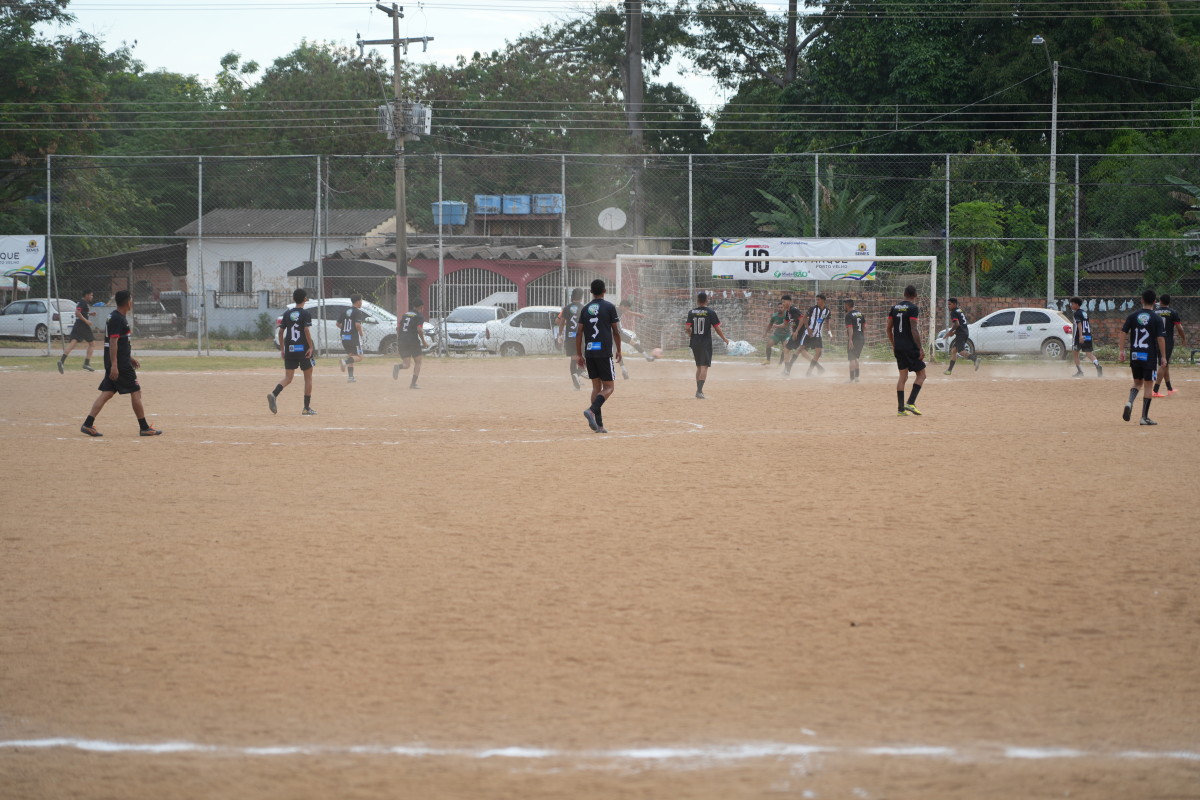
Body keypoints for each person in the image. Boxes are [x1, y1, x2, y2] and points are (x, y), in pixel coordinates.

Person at [79, 290, 162, 437]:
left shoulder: (116, 316)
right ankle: (144, 427)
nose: (132, 303)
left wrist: (129, 357)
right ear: (127, 302)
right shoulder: (118, 318)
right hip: (119, 364)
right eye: (131, 300)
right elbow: (113, 342)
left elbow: (121, 343)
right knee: (136, 391)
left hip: (120, 361)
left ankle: (88, 424)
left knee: (107, 393)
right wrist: (115, 365)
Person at [576, 278, 621, 434]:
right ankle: (591, 410)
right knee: (609, 387)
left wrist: (578, 354)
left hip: (589, 352)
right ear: (604, 291)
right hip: (603, 352)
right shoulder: (609, 307)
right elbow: (615, 331)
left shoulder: (585, 309)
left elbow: (579, 332)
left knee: (596, 387)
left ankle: (599, 425)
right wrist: (619, 350)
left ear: (591, 292)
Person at [1118, 288, 1167, 425]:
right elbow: (1161, 339)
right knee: (1147, 386)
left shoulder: (1133, 316)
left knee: (1137, 382)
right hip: (1149, 356)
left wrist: (1122, 351)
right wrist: (1163, 356)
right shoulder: (1157, 319)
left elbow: (1123, 332)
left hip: (1135, 355)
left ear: (1141, 300)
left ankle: (1129, 402)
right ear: (1155, 302)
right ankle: (1144, 417)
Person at [267, 288, 316, 416]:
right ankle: (306, 408)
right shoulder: (306, 314)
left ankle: (274, 394)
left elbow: (281, 332)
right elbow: (306, 330)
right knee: (308, 378)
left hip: (290, 349)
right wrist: (310, 347)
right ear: (305, 299)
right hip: (303, 350)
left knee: (288, 378)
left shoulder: (288, 313)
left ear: (294, 299)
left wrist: (282, 349)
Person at [887, 284, 927, 416]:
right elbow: (914, 329)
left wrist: (894, 344)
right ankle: (910, 402)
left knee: (902, 377)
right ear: (915, 295)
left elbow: (888, 329)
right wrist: (920, 348)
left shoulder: (894, 308)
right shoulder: (913, 308)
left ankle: (900, 410)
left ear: (904, 294)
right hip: (910, 347)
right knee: (921, 375)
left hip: (898, 346)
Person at [685, 291, 730, 399]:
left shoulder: (691, 312)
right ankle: (699, 391)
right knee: (704, 366)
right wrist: (724, 339)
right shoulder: (710, 312)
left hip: (695, 342)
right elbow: (717, 327)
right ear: (706, 300)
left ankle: (698, 390)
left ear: (697, 300)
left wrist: (691, 335)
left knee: (699, 367)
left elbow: (687, 328)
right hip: (705, 343)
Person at [786, 294, 829, 376]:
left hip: (817, 334)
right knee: (800, 349)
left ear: (823, 300)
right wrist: (808, 328)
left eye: (819, 299)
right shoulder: (813, 309)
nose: (817, 301)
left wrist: (829, 331)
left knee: (818, 353)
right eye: (817, 299)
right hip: (807, 333)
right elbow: (804, 317)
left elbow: (827, 320)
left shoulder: (827, 311)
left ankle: (810, 371)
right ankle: (788, 368)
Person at [1152, 294, 1186, 396]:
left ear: (1160, 301)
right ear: (1169, 302)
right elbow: (1179, 328)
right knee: (1163, 364)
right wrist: (1183, 338)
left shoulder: (1154, 312)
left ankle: (1169, 388)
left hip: (1155, 340)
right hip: (1167, 341)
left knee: (1165, 363)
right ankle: (1155, 390)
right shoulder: (1173, 313)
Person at [392, 297, 428, 389]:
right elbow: (419, 329)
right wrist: (424, 342)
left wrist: (400, 339)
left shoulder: (405, 315)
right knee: (418, 361)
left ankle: (398, 367)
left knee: (406, 364)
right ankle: (413, 384)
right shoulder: (419, 316)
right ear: (421, 307)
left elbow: (398, 328)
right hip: (413, 341)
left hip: (402, 340)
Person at [58, 290, 97, 373]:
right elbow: (77, 313)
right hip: (83, 325)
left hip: (78, 325)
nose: (91, 297)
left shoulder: (82, 302)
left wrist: (90, 314)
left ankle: (61, 361)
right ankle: (86, 363)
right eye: (91, 295)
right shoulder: (82, 302)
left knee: (72, 344)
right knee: (92, 344)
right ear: (86, 295)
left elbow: (82, 312)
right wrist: (86, 321)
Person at [556, 288, 586, 390]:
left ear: (572, 296)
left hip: (570, 337)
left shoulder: (566, 308)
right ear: (581, 297)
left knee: (573, 359)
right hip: (580, 337)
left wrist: (560, 336)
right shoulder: (584, 308)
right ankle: (578, 374)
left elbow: (560, 322)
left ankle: (575, 380)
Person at [943, 297, 980, 375]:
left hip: (961, 333)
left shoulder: (953, 312)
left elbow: (957, 324)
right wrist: (954, 332)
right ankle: (949, 370)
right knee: (953, 351)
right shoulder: (959, 310)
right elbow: (962, 324)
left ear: (954, 304)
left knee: (961, 351)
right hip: (964, 332)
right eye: (948, 304)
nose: (948, 306)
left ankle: (975, 359)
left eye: (949, 304)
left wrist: (950, 332)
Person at [1069, 297, 1103, 378]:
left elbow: (1079, 325)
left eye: (1072, 304)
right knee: (1089, 353)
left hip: (1079, 337)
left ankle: (1080, 371)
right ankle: (1098, 365)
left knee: (1075, 353)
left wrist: (1080, 336)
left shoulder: (1076, 313)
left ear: (1077, 305)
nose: (1071, 305)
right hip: (1088, 335)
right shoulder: (1084, 313)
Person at [338, 294, 367, 383]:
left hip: (344, 337)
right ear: (358, 301)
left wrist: (346, 330)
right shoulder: (357, 312)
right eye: (361, 300)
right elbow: (357, 325)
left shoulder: (345, 311)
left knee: (352, 356)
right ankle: (345, 361)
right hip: (353, 338)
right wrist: (362, 334)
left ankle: (350, 377)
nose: (361, 302)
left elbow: (338, 324)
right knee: (359, 357)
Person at [843, 298, 865, 383]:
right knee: (856, 357)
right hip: (861, 338)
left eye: (845, 305)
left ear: (848, 305)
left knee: (852, 358)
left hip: (854, 338)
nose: (844, 306)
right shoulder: (860, 314)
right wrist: (862, 337)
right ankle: (857, 378)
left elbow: (850, 328)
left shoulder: (848, 315)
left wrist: (850, 340)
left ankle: (851, 378)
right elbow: (864, 327)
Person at [763, 302, 790, 366]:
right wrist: (765, 333)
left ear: (784, 308)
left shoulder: (787, 315)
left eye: (781, 307)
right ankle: (768, 360)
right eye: (779, 307)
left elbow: (790, 323)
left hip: (786, 334)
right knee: (769, 343)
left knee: (786, 347)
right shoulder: (774, 316)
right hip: (777, 334)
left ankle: (780, 363)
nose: (780, 309)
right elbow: (770, 325)